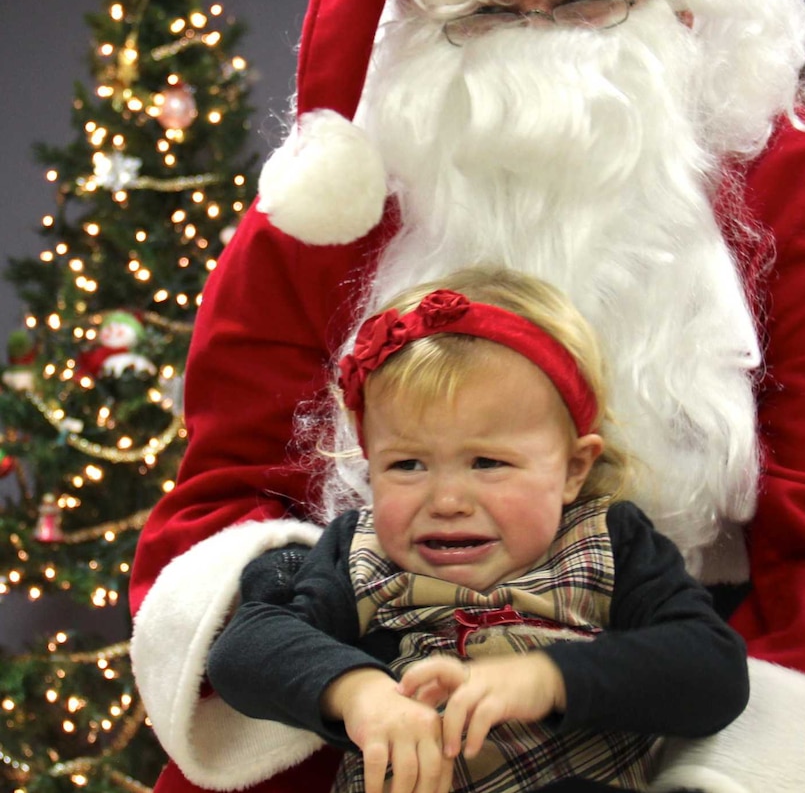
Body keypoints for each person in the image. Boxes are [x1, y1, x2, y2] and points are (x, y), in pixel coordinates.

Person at [129, 0, 805, 793]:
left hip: (713, 688)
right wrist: (341, 686)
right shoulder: (332, 200)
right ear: (419, 24)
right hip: (362, 710)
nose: (542, 44)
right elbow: (225, 492)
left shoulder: (801, 181)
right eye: (486, 13)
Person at [206, 268, 749, 793]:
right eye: (407, 466)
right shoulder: (360, 553)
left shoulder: (610, 540)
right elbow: (246, 648)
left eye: (488, 463)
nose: (446, 502)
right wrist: (357, 692)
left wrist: (545, 679)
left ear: (574, 469)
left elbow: (712, 669)